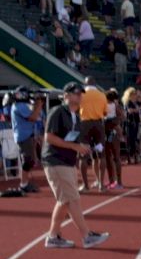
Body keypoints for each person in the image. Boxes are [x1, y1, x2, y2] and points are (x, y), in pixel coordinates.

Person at [42, 83, 110, 249]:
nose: (80, 96)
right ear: (66, 95)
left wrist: (83, 146)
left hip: (67, 161)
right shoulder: (58, 112)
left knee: (68, 200)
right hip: (55, 160)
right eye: (76, 93)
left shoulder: (77, 116)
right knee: (69, 199)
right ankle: (85, 235)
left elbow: (72, 139)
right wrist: (74, 147)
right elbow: (49, 138)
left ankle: (54, 236)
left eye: (81, 93)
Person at [77, 78, 108, 192]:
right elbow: (105, 112)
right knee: (101, 154)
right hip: (98, 124)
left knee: (83, 155)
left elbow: (76, 109)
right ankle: (101, 185)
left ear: (85, 84)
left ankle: (86, 186)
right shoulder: (102, 95)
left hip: (85, 124)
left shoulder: (81, 94)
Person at [11, 87, 44, 193]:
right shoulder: (19, 106)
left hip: (28, 135)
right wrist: (39, 104)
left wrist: (36, 104)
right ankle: (23, 184)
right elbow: (33, 117)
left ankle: (25, 183)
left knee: (30, 160)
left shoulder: (23, 105)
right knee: (28, 160)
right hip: (23, 136)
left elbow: (37, 116)